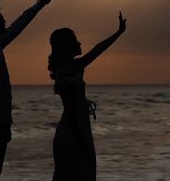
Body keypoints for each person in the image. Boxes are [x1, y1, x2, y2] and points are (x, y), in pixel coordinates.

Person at [0, 0, 54, 181]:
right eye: (0, 18)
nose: (4, 21)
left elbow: (17, 27)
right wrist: (2, 122)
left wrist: (39, 4)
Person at [48, 11, 127, 181]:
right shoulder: (65, 72)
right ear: (67, 46)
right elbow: (70, 110)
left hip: (79, 128)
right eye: (75, 40)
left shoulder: (77, 66)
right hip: (73, 131)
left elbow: (98, 49)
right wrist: (81, 139)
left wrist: (118, 32)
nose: (80, 42)